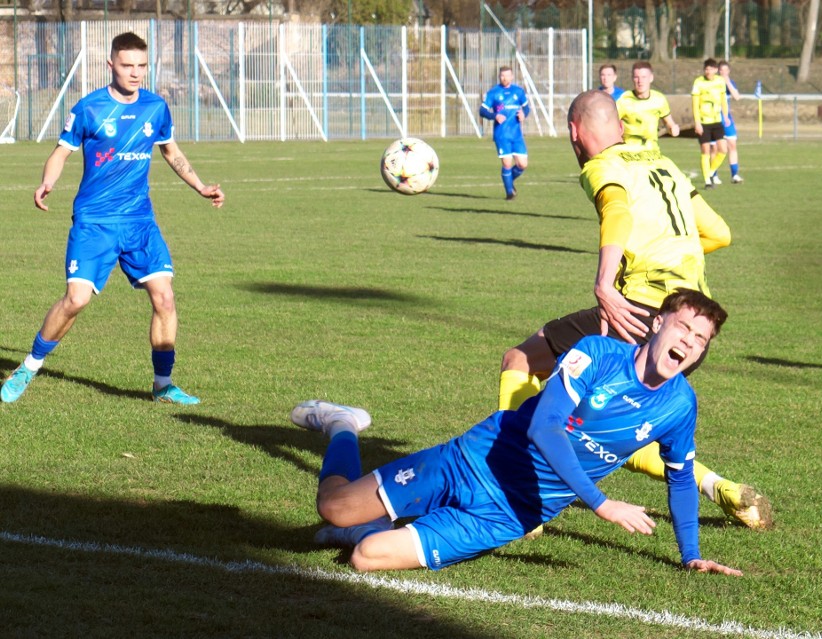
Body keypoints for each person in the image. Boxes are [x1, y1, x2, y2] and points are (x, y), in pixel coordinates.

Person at [292, 290, 743, 576]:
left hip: (510, 514)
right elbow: (545, 429)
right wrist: (603, 505)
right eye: (684, 326)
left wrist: (691, 555)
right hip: (471, 462)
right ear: (658, 323)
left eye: (701, 339)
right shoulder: (598, 355)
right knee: (333, 508)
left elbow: (681, 476)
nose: (689, 342)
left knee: (367, 556)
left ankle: (371, 528)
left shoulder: (680, 405)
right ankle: (342, 426)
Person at [497, 90, 771, 530]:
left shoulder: (601, 166)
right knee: (611, 427)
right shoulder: (663, 165)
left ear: (574, 133)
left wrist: (606, 281)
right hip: (693, 325)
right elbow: (720, 233)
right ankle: (722, 488)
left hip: (643, 311)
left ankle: (515, 488)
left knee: (521, 360)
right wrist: (666, 252)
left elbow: (618, 211)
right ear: (621, 127)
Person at [1, 32, 224, 405]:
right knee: (76, 300)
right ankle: (29, 366)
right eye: (127, 65)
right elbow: (61, 152)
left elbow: (171, 151)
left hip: (139, 221)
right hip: (95, 222)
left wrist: (200, 186)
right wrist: (47, 182)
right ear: (111, 65)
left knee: (165, 299)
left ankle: (162, 385)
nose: (135, 73)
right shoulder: (89, 109)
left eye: (141, 66)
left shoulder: (156, 107)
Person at [479, 66, 530, 200]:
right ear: (499, 77)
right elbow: (482, 111)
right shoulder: (493, 93)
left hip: (517, 135)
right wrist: (494, 116)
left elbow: (527, 108)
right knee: (507, 163)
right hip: (501, 135)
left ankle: (509, 181)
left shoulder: (518, 92)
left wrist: (523, 114)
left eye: (507, 76)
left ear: (512, 77)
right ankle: (509, 193)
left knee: (522, 165)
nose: (505, 78)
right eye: (502, 76)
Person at [616, 61, 680, 148]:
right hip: (630, 153)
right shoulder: (623, 100)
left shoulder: (659, 99)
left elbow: (669, 123)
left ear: (651, 78)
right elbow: (612, 127)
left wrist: (672, 128)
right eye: (636, 77)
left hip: (651, 152)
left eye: (644, 77)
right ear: (632, 78)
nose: (640, 81)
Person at [691, 58, 729, 190]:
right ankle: (707, 181)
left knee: (723, 149)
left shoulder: (720, 81)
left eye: (710, 69)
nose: (708, 71)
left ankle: (711, 172)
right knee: (706, 151)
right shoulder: (698, 82)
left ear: (716, 70)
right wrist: (697, 122)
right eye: (706, 69)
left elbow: (723, 100)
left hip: (717, 121)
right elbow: (695, 105)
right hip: (703, 122)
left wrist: (726, 115)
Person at [711, 61, 744, 185]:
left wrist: (728, 82)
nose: (723, 73)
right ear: (717, 71)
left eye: (725, 70)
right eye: (721, 70)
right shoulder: (712, 83)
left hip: (727, 119)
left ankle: (734, 175)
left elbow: (736, 97)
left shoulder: (730, 83)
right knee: (715, 148)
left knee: (732, 145)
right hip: (714, 118)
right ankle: (713, 175)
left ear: (728, 71)